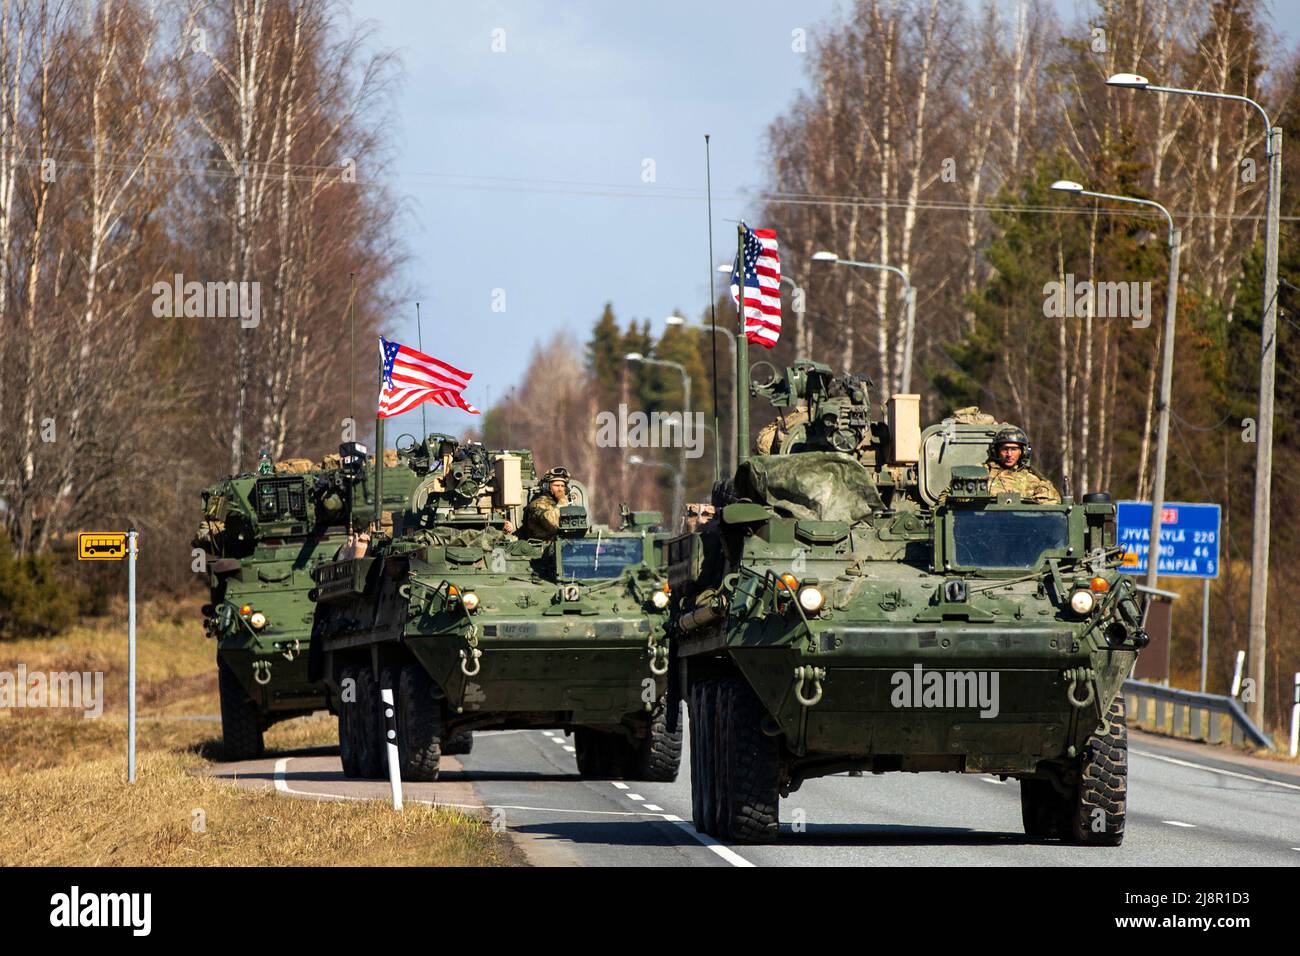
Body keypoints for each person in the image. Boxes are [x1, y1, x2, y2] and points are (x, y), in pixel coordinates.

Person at [985, 427, 1061, 504]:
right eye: (1005, 449)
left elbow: (1053, 504)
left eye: (1014, 449)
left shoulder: (1031, 478)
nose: (1009, 454)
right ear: (996, 451)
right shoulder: (983, 472)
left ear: (1023, 452)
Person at [520, 467, 572, 540]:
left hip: (563, 543)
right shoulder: (538, 504)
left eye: (562, 486)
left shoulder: (565, 503)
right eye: (556, 486)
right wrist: (562, 504)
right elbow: (550, 523)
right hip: (542, 546)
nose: (560, 489)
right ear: (547, 487)